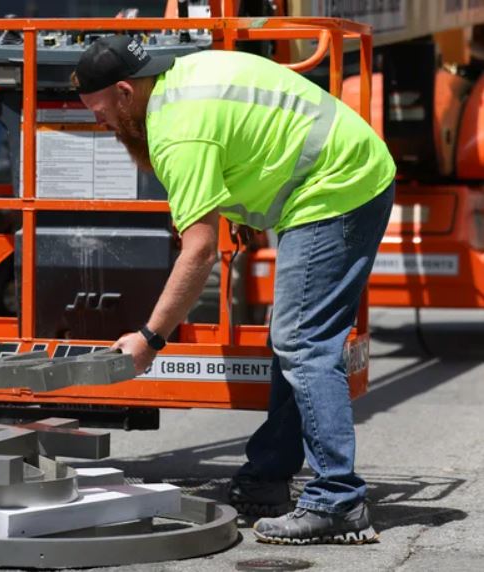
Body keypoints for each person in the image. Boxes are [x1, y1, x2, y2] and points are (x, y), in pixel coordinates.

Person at [74, 35, 396, 544]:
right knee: (292, 338)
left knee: (304, 342)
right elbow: (251, 137)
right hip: (343, 172)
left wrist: (150, 337)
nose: (101, 123)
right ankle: (267, 478)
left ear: (124, 92)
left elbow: (199, 252)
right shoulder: (185, 75)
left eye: (99, 111)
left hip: (336, 188)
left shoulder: (176, 132)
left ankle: (337, 501)